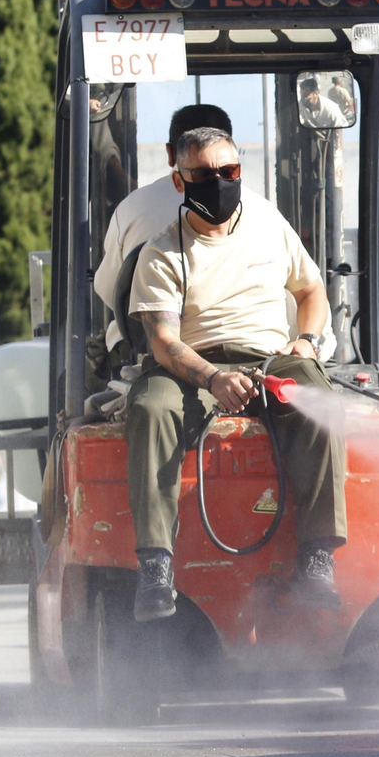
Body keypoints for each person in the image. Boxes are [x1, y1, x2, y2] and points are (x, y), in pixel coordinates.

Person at [125, 126, 347, 622]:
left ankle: (317, 558)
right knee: (150, 407)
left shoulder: (271, 230)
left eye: (230, 171)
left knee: (321, 403)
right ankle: (156, 566)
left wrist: (307, 343)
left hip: (271, 358)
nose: (220, 182)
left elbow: (311, 292)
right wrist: (212, 379)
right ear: (180, 181)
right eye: (205, 174)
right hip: (193, 365)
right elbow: (164, 342)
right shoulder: (161, 254)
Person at [94, 104, 234, 351]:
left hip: (144, 355)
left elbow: (110, 291)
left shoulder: (132, 208)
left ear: (170, 153)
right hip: (241, 357)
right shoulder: (262, 212)